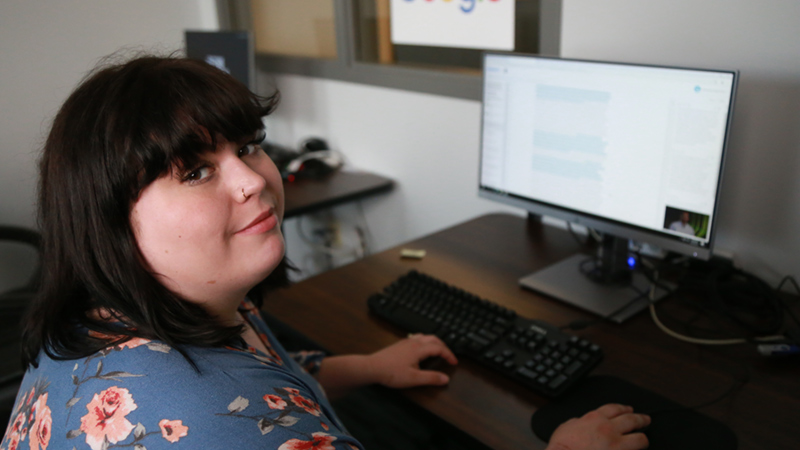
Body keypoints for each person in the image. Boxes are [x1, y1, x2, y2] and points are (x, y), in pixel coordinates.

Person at [2, 55, 649, 450]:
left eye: (248, 145)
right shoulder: (204, 426)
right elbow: (242, 416)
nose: (253, 179)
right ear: (109, 219)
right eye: (195, 171)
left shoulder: (120, 310)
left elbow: (264, 379)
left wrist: (368, 366)